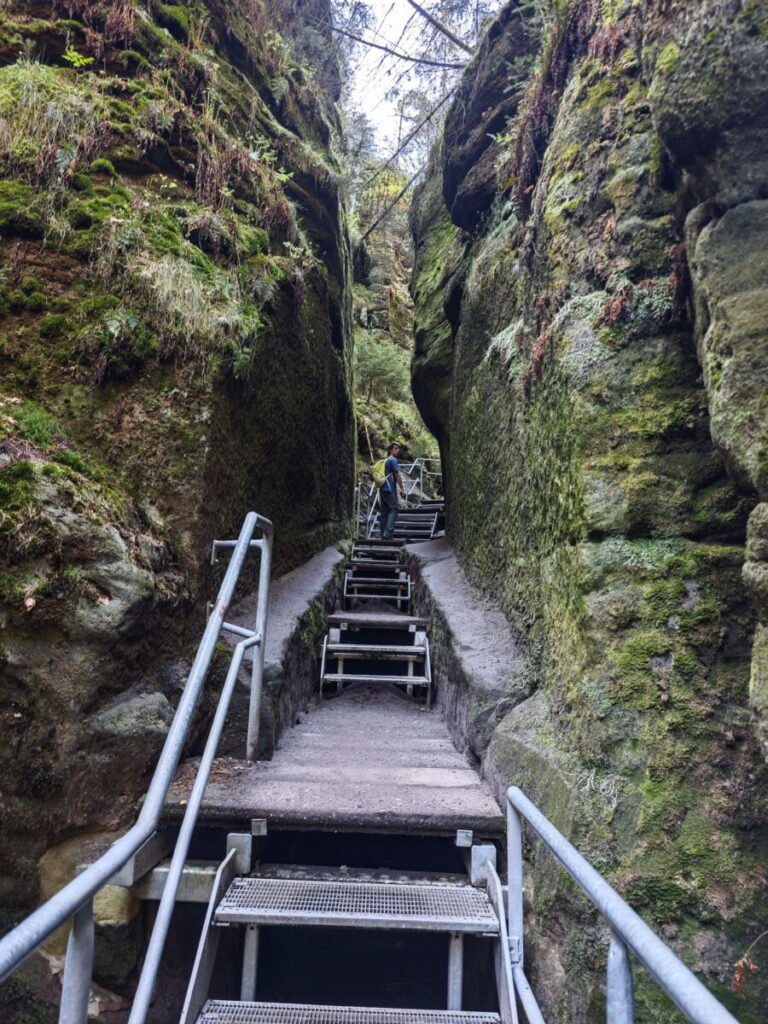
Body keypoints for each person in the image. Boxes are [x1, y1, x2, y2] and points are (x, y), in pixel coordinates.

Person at [379, 442, 406, 540]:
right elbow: (397, 475)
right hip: (390, 489)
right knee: (394, 509)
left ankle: (384, 535)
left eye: (398, 448)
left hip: (382, 489)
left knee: (384, 512)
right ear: (390, 450)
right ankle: (387, 532)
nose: (398, 450)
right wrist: (402, 489)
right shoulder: (393, 460)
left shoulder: (385, 460)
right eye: (395, 448)